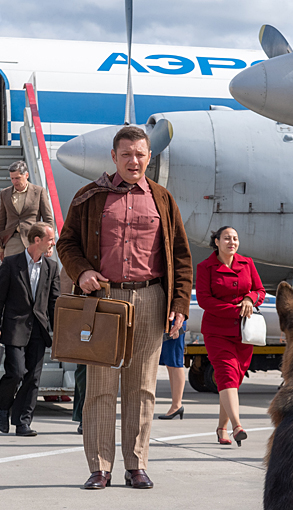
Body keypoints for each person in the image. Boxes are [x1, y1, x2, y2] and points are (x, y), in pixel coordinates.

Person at [57, 125, 193, 491]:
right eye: (126, 154)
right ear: (114, 158)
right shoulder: (89, 196)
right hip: (104, 300)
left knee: (143, 387)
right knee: (100, 387)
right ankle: (100, 467)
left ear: (150, 158)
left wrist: (179, 303)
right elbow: (66, 243)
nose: (134, 161)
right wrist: (81, 271)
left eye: (140, 154)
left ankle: (137, 465)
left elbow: (180, 255)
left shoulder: (163, 199)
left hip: (150, 298)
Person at [195, 226, 266, 446]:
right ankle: (237, 426)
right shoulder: (205, 267)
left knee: (233, 381)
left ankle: (220, 428)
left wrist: (249, 299)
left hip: (243, 334)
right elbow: (204, 300)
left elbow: (260, 291)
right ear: (216, 242)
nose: (232, 242)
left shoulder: (248, 263)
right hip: (217, 332)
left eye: (235, 238)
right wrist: (235, 310)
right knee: (226, 376)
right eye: (227, 238)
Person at [0, 222, 60, 437]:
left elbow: (54, 302)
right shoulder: (11, 264)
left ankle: (22, 422)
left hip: (39, 330)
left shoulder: (52, 267)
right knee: (17, 373)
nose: (52, 243)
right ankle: (3, 405)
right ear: (37, 240)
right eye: (50, 239)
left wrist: (59, 333)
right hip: (14, 328)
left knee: (33, 379)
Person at [0, 161, 55, 260]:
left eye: (18, 178)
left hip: (33, 239)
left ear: (26, 175)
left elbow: (48, 219)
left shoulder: (39, 192)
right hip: (12, 240)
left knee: (32, 273)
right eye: (12, 178)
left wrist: (50, 243)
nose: (15, 181)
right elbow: (2, 220)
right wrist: (0, 247)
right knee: (11, 272)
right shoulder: (5, 194)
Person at [157, 332, 186, 420]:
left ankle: (177, 405)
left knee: (175, 362)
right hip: (169, 325)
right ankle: (176, 404)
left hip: (175, 324)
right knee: (170, 363)